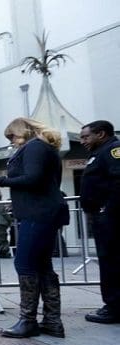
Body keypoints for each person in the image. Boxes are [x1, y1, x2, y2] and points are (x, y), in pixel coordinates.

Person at [0, 117, 68, 338]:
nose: (13, 142)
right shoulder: (45, 148)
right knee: (43, 266)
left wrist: (3, 181)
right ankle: (52, 321)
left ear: (23, 131)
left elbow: (33, 178)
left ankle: (28, 321)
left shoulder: (35, 146)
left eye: (13, 136)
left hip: (37, 212)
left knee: (25, 263)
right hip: (45, 211)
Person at [79, 120, 120, 324]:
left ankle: (114, 307)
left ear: (101, 134)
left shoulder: (113, 150)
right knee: (109, 260)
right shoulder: (100, 152)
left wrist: (107, 210)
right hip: (103, 216)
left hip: (110, 217)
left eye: (86, 136)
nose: (83, 141)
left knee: (111, 261)